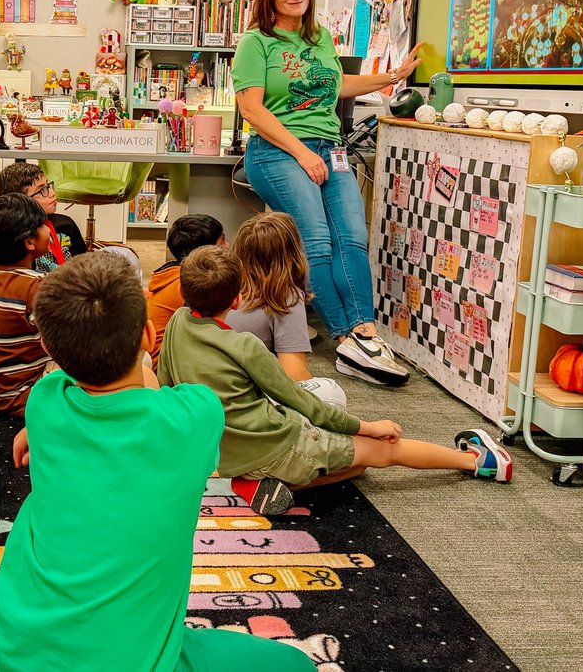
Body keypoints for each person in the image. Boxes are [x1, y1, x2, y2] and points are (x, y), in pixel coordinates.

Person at [0, 252, 313, 672]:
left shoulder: (45, 402)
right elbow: (152, 395)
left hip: (12, 644)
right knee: (294, 665)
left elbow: (67, 382)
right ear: (149, 335)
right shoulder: (196, 414)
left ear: (48, 347)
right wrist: (143, 367)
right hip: (131, 661)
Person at [159, 246, 513, 517]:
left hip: (224, 450)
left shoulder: (176, 322)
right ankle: (478, 462)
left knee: (354, 460)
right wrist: (368, 426)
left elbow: (168, 387)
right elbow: (303, 404)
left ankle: (251, 478)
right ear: (236, 299)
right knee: (378, 454)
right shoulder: (244, 346)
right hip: (275, 446)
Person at [232, 0, 422, 386]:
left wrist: (390, 76)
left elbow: (335, 85)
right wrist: (302, 152)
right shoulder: (256, 43)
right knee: (315, 239)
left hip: (329, 146)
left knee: (352, 237)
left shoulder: (318, 38)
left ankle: (364, 334)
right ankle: (343, 336)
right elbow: (252, 110)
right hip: (276, 151)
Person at [227, 212, 345, 407]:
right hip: (242, 399)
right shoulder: (283, 295)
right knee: (331, 393)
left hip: (207, 391)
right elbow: (295, 375)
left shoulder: (227, 285)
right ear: (293, 253)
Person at [0, 194, 51, 416]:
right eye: (43, 224)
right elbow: (69, 338)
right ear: (29, 242)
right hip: (23, 395)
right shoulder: (33, 288)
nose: (48, 229)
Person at [146, 213, 224, 371]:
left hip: (160, 362)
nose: (228, 246)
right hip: (165, 369)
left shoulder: (173, 273)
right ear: (205, 252)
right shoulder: (189, 283)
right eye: (222, 242)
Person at [0, 163, 85, 274]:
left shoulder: (66, 225)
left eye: (48, 186)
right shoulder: (15, 240)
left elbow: (84, 266)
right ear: (20, 200)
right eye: (41, 190)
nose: (52, 193)